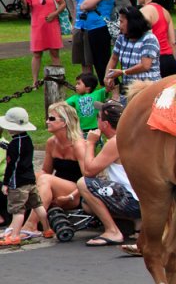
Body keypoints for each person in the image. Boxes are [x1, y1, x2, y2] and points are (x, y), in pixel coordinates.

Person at [78, 100, 141, 246]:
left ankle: (113, 231)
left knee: (83, 184)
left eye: (98, 117)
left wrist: (90, 143)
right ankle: (138, 222)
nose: (97, 120)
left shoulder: (115, 141)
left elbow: (88, 172)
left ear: (105, 124)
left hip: (133, 201)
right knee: (87, 204)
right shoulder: (130, 137)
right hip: (140, 198)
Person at [23, 102, 86, 231]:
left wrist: (70, 196)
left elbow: (88, 178)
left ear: (64, 122)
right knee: (26, 177)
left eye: (51, 118)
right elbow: (46, 170)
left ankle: (31, 226)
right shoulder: (51, 142)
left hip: (77, 192)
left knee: (46, 179)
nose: (47, 121)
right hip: (58, 186)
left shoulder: (79, 145)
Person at [0, 107, 53, 248]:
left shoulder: (13, 145)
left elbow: (12, 167)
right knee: (38, 205)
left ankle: (15, 236)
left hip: (18, 182)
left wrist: (6, 183)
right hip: (30, 180)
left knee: (18, 210)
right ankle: (47, 229)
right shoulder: (28, 140)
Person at [21, 0, 66, 87]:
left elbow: (62, 3)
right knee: (36, 54)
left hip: (52, 24)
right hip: (37, 25)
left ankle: (58, 78)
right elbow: (26, 10)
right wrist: (23, 1)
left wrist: (54, 13)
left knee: (54, 53)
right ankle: (35, 81)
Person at [104, 7, 161, 97]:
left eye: (122, 21)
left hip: (148, 89)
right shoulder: (121, 38)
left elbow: (145, 65)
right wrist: (107, 76)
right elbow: (114, 58)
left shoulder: (149, 39)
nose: (119, 25)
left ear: (132, 23)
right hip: (129, 90)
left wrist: (123, 72)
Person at [78, 0, 114, 85]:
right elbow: (83, 5)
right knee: (98, 61)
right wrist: (86, 5)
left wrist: (86, 5)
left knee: (102, 60)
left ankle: (112, 87)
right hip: (92, 27)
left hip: (100, 27)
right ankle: (106, 87)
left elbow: (86, 5)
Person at [136, 0, 176, 77]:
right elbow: (172, 42)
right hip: (169, 59)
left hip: (154, 60)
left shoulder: (145, 11)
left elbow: (144, 40)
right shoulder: (165, 12)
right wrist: (173, 61)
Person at [72, 0, 96, 76]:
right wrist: (73, 24)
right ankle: (87, 89)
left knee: (94, 59)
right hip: (79, 25)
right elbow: (76, 2)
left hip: (92, 24)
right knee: (83, 61)